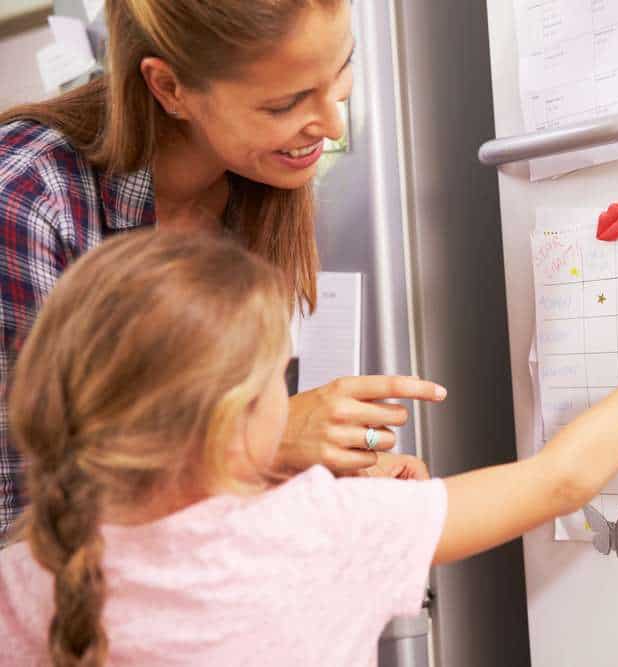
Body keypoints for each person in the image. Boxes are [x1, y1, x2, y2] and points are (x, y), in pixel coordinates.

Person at [0, 230, 618, 666]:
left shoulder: (29, 565)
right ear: (233, 422)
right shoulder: (324, 531)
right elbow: (561, 481)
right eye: (277, 378)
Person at [0, 0, 435, 539]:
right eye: (286, 102)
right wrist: (263, 440)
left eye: (341, 69)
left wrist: (319, 478)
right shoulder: (26, 200)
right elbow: (23, 525)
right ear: (169, 89)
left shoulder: (255, 181)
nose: (331, 123)